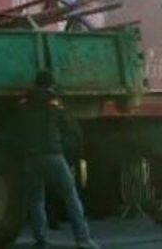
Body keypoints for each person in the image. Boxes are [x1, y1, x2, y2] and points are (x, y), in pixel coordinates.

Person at [17, 70, 98, 249]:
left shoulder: (24, 104)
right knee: (70, 196)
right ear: (51, 84)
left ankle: (40, 240)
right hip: (53, 154)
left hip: (31, 157)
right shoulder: (54, 104)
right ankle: (82, 240)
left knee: (36, 200)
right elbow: (67, 126)